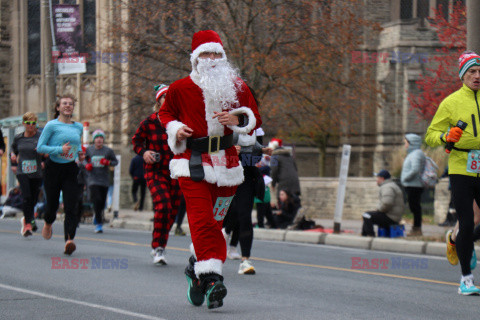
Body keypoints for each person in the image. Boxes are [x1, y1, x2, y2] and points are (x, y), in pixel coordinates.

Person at [158, 30, 261, 309]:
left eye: (217, 53)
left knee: (215, 224)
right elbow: (165, 114)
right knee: (202, 220)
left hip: (227, 163)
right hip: (193, 164)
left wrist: (237, 117)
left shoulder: (237, 85)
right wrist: (176, 129)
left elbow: (254, 116)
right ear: (196, 59)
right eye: (206, 53)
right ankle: (213, 278)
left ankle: (196, 269)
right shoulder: (180, 88)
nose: (212, 59)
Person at [425, 50, 480, 295]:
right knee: (467, 222)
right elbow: (430, 135)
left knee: (470, 227)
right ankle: (466, 280)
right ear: (463, 76)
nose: (477, 76)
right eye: (472, 72)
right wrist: (445, 136)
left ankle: (457, 241)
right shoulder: (451, 102)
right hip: (461, 168)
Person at [132, 83, 182, 265]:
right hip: (155, 170)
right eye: (164, 97)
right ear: (158, 101)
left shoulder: (181, 123)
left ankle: (160, 242)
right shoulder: (149, 122)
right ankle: (158, 247)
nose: (167, 100)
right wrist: (144, 153)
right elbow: (136, 142)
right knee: (164, 205)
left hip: (177, 170)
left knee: (173, 211)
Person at [37, 93, 84, 255]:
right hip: (53, 168)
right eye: (64, 103)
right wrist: (59, 150)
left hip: (71, 168)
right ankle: (48, 222)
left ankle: (69, 240)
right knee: (52, 205)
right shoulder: (51, 125)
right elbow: (40, 147)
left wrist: (80, 153)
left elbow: (77, 146)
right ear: (58, 107)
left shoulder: (78, 127)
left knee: (71, 205)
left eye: (71, 103)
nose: (68, 106)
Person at [223, 129, 272, 275]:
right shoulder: (224, 119)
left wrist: (262, 150)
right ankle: (223, 235)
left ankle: (245, 260)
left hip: (246, 177)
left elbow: (255, 156)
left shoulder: (254, 126)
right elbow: (212, 147)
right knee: (226, 213)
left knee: (244, 216)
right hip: (224, 175)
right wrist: (229, 151)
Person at [10, 112, 44, 236]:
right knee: (27, 196)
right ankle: (28, 224)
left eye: (33, 123)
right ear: (24, 124)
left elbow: (47, 151)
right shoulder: (19, 138)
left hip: (37, 172)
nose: (31, 125)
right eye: (28, 123)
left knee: (34, 199)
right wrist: (13, 160)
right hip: (22, 171)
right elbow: (13, 150)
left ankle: (27, 218)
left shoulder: (41, 136)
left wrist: (43, 158)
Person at [84, 129, 118, 233]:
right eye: (97, 138)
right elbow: (83, 160)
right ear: (94, 140)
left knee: (102, 202)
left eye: (101, 138)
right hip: (93, 180)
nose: (99, 140)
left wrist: (107, 162)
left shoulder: (108, 151)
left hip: (104, 180)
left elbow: (115, 162)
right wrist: (87, 165)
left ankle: (97, 215)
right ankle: (99, 223)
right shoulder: (89, 150)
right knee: (97, 199)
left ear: (103, 140)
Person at [361, 170, 404, 237]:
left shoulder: (387, 187)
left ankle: (370, 235)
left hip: (391, 217)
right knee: (368, 215)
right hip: (393, 216)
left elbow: (387, 203)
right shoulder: (391, 185)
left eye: (377, 178)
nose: (376, 180)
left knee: (367, 215)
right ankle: (364, 235)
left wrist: (378, 209)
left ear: (382, 178)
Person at [400, 133, 426, 236]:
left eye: (406, 143)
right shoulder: (413, 153)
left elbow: (415, 169)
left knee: (415, 207)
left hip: (414, 185)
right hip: (412, 185)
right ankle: (416, 228)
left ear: (412, 143)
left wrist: (405, 177)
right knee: (414, 207)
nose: (405, 145)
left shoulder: (416, 154)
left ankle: (417, 228)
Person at [269, 138, 301, 208]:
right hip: (295, 182)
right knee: (294, 202)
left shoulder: (274, 157)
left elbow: (274, 171)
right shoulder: (289, 156)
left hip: (284, 182)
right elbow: (296, 169)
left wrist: (273, 184)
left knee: (283, 201)